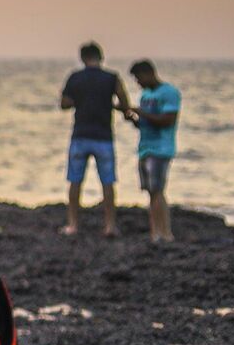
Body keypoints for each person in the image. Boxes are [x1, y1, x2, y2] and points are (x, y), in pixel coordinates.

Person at [59, 41, 137, 238]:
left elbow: (64, 103)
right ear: (100, 57)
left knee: (75, 181)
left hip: (80, 134)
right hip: (104, 136)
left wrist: (81, 100)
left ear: (83, 58)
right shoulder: (111, 78)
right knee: (108, 182)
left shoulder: (75, 78)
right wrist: (119, 109)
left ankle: (73, 224)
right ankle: (109, 225)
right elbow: (124, 101)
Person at [130, 59, 179, 243]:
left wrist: (141, 113)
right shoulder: (145, 95)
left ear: (148, 73)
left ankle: (165, 232)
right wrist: (133, 118)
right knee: (151, 192)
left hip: (161, 149)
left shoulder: (169, 93)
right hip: (145, 148)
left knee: (158, 190)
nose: (138, 82)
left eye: (138, 78)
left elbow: (167, 120)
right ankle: (155, 231)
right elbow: (146, 124)